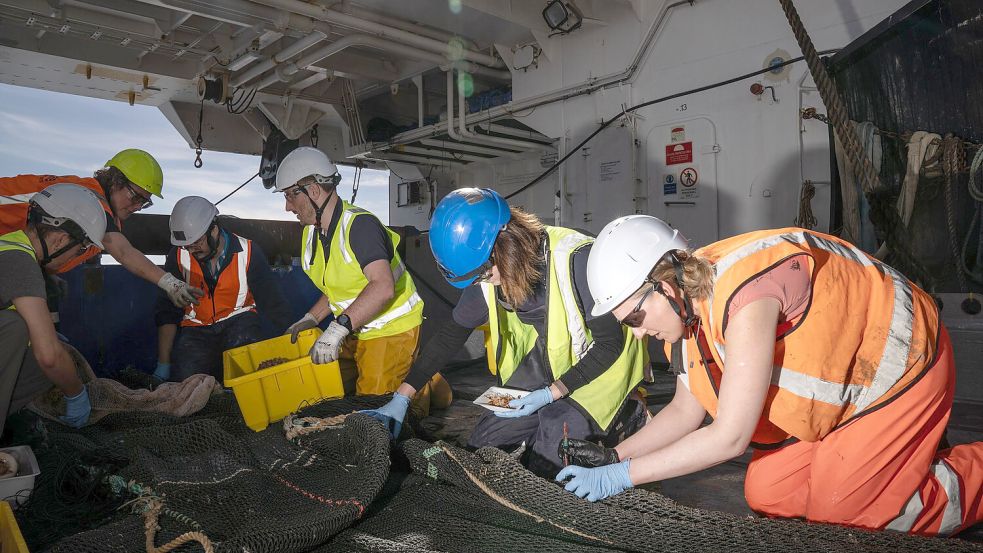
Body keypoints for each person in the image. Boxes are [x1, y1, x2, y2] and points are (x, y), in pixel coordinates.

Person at [555, 215, 983, 537]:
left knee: (847, 518)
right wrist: (616, 455)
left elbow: (730, 437)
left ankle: (964, 475)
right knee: (768, 493)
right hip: (843, 400)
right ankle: (879, 469)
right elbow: (686, 412)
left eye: (635, 316)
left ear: (664, 285)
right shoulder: (687, 316)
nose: (637, 332)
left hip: (898, 369)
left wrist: (621, 477)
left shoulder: (745, 295)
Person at [362, 188, 649, 477]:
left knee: (553, 453)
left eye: (483, 274)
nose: (483, 283)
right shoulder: (487, 274)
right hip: (551, 360)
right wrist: (402, 397)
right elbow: (451, 334)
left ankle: (630, 415)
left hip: (604, 366)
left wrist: (552, 395)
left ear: (504, 245)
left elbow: (610, 345)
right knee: (484, 446)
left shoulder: (577, 260)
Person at [274, 147, 450, 410]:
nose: (287, 206)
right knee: (326, 384)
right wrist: (310, 319)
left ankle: (422, 386)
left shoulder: (360, 226)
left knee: (373, 407)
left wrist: (337, 328)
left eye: (290, 195)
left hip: (390, 328)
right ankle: (418, 372)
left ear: (312, 190)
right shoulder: (312, 234)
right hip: (355, 327)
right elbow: (339, 288)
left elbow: (382, 288)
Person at [0, 149, 203, 308]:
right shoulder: (92, 200)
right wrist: (171, 284)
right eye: (136, 196)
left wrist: (46, 274)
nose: (138, 206)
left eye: (145, 203)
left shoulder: (92, 210)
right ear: (114, 181)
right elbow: (123, 251)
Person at [0, 184, 109, 433]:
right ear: (61, 238)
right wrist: (76, 393)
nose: (76, 257)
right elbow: (48, 356)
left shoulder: (10, 248)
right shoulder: (19, 261)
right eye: (81, 248)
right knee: (22, 333)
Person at [153, 196, 293, 383]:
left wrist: (293, 340)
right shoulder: (177, 257)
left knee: (249, 376)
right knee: (188, 383)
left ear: (214, 229)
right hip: (196, 330)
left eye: (196, 242)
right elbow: (166, 311)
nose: (192, 250)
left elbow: (273, 302)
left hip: (240, 323)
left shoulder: (249, 251)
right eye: (187, 245)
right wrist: (163, 364)